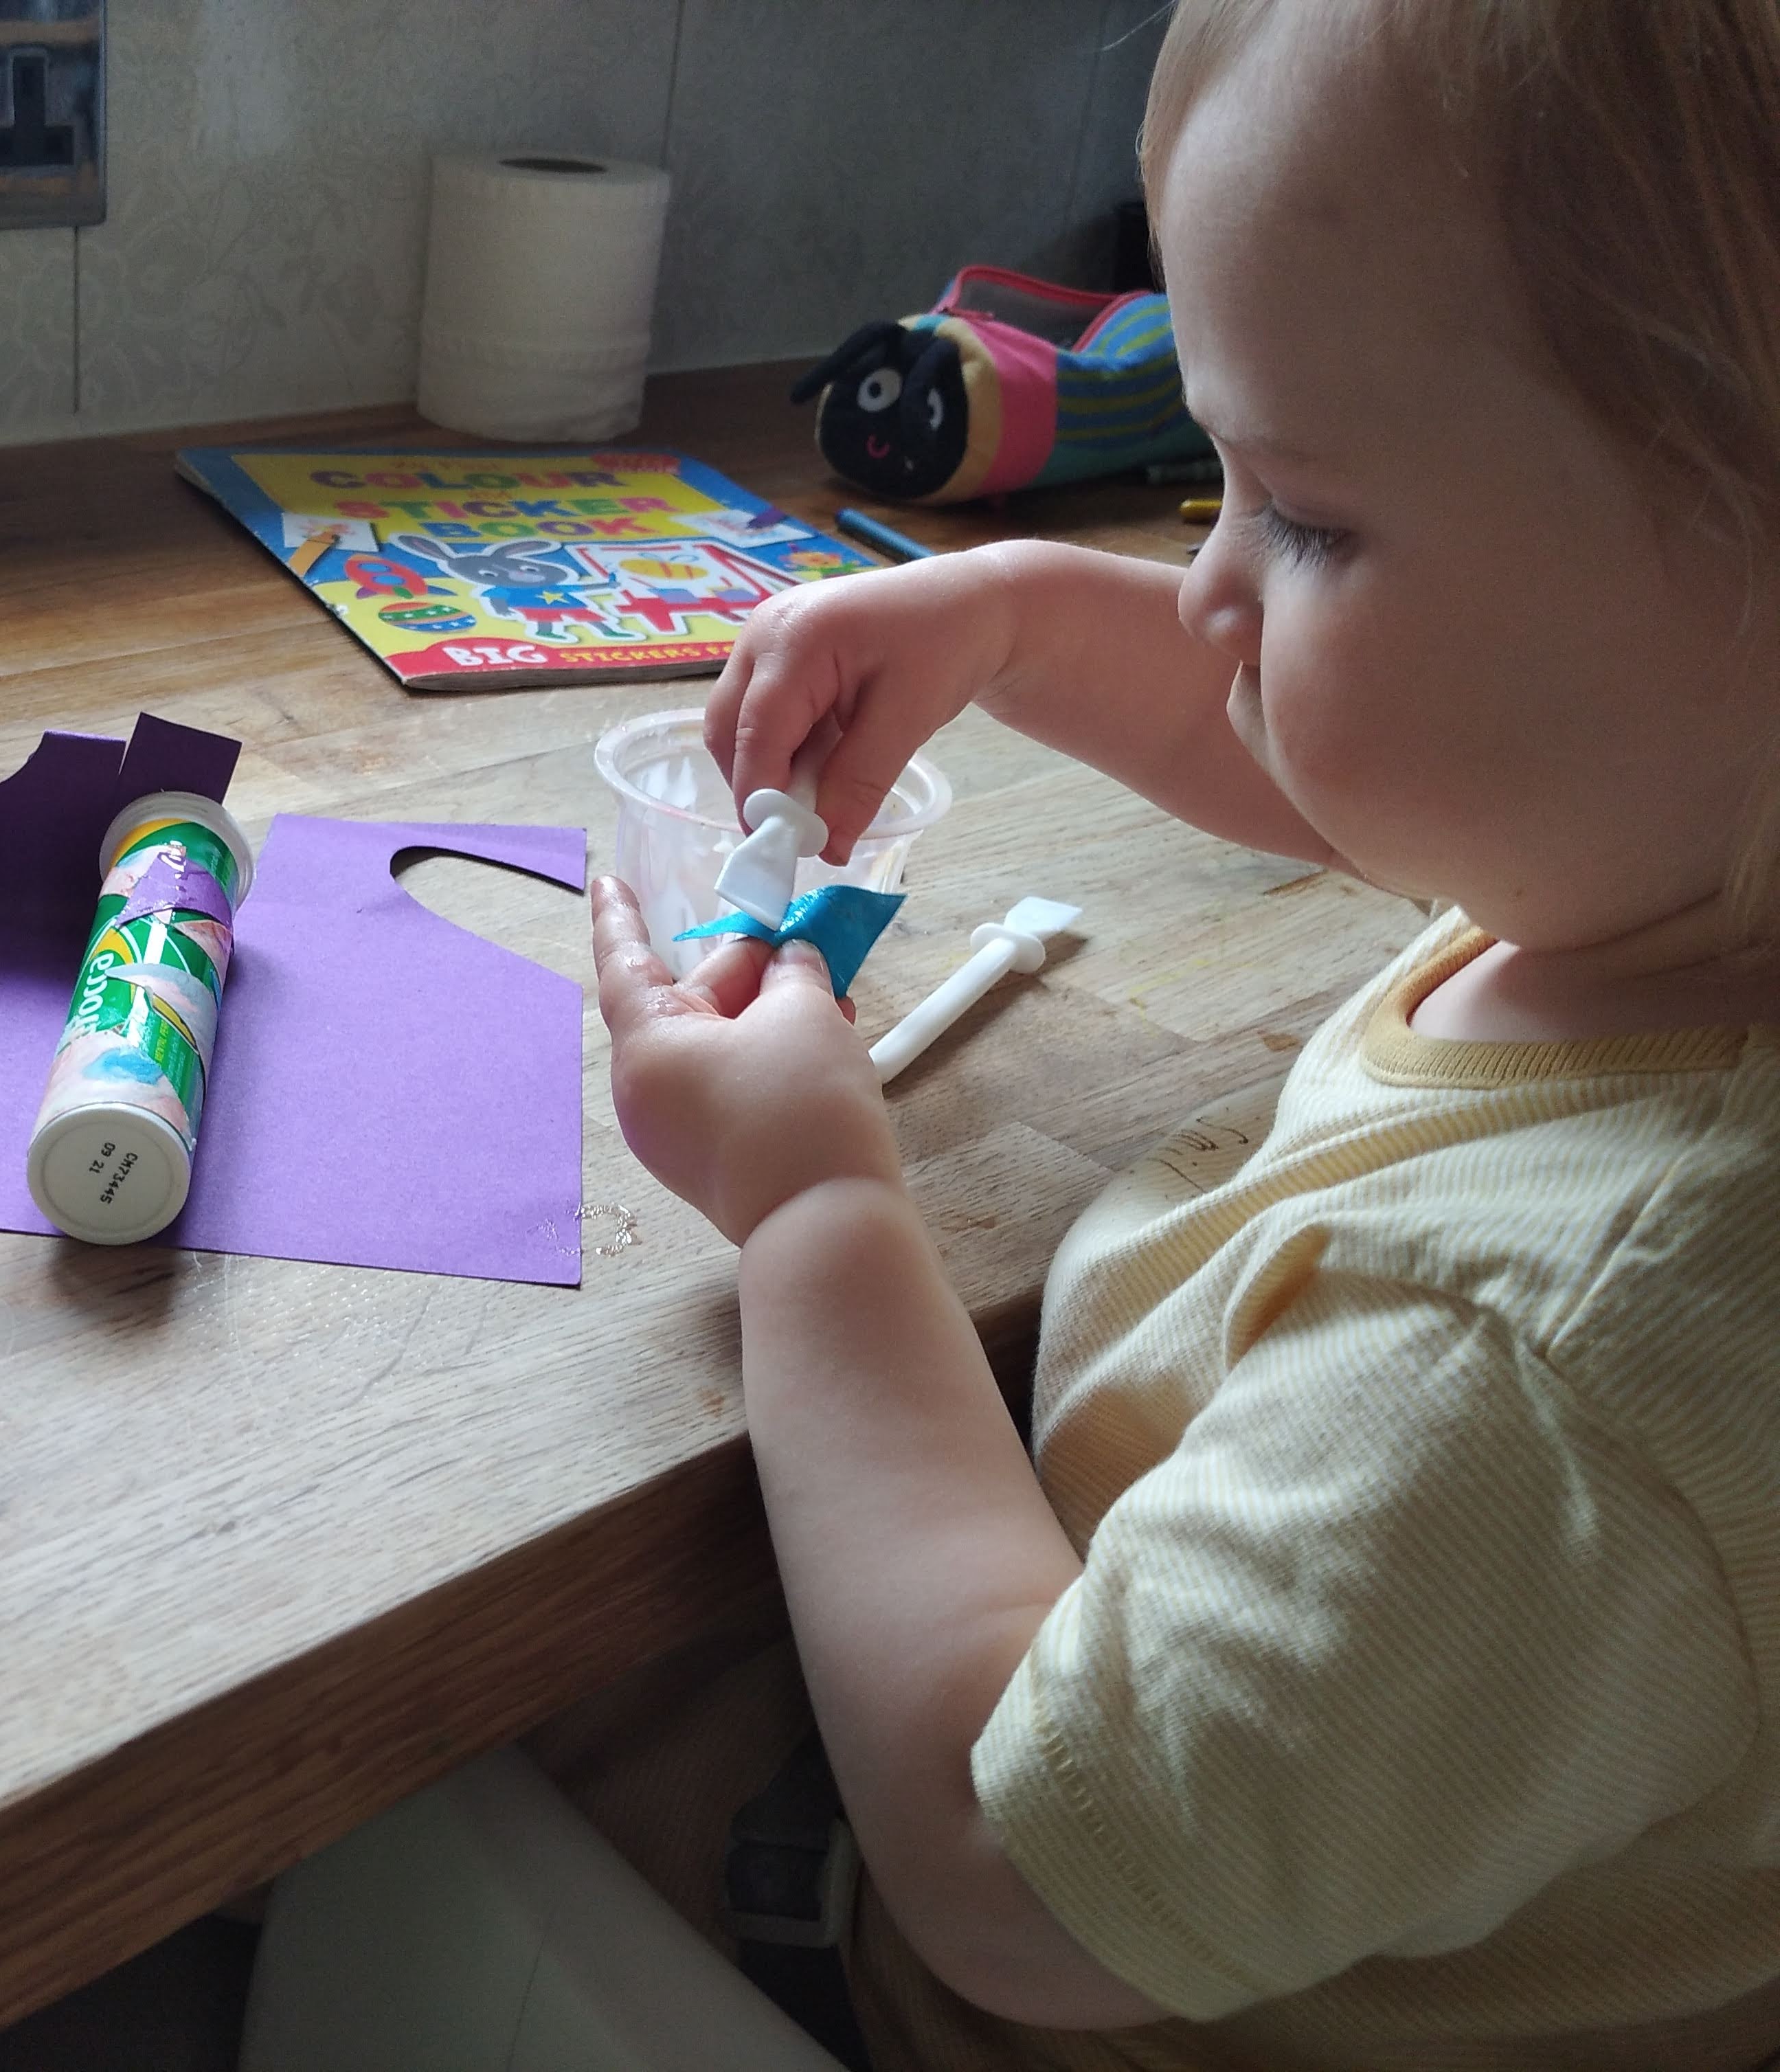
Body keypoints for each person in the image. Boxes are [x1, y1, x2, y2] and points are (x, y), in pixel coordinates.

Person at [588, 0, 1780, 2064]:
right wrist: (1024, 616)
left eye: (1300, 519)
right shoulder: (1665, 866)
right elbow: (1347, 756)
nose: (1210, 588)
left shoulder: (1542, 1377)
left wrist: (814, 1213)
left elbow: (1002, 1875)